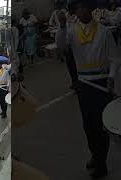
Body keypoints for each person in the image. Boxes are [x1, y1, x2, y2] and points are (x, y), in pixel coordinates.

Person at [59, 0, 121, 178]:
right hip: (84, 85)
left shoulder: (104, 32)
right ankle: (95, 154)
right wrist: (62, 26)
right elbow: (62, 48)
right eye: (78, 8)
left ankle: (102, 164)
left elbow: (115, 58)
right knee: (88, 125)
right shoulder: (71, 32)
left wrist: (111, 78)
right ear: (75, 12)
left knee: (101, 126)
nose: (82, 10)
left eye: (85, 7)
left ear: (90, 9)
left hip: (101, 84)